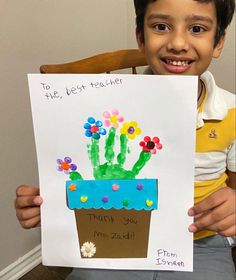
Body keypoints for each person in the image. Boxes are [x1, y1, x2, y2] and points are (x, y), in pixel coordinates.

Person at [15, 0, 235, 279]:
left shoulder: (231, 113)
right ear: (141, 37)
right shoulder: (101, 113)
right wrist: (47, 203)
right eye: (161, 26)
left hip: (201, 242)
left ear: (218, 42)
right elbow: (80, 177)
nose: (178, 43)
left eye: (197, 28)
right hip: (113, 234)